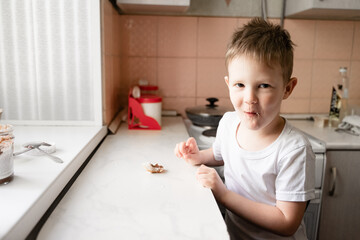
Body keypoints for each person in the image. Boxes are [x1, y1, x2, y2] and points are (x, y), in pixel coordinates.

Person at [174, 18, 315, 240]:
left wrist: (223, 194)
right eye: (240, 85)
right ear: (228, 84)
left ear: (287, 88)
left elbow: (287, 222)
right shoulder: (229, 123)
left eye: (264, 86)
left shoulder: (294, 150)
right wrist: (197, 156)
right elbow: (220, 155)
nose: (249, 99)